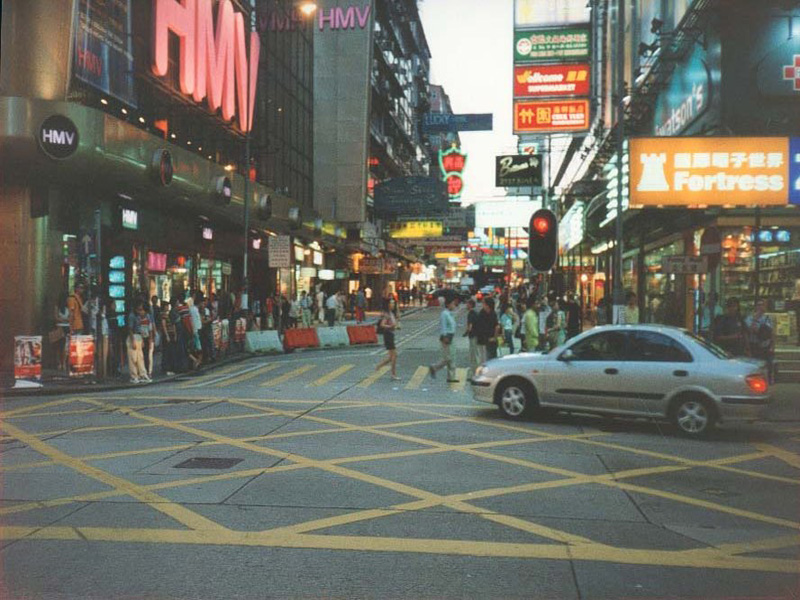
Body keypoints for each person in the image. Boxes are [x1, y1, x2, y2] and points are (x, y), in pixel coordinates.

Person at [429, 295, 459, 382]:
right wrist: (445, 337)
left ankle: (451, 377)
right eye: (452, 304)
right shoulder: (444, 314)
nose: (454, 305)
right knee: (448, 357)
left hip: (451, 336)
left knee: (452, 356)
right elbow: (443, 326)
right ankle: (435, 367)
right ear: (448, 304)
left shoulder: (450, 313)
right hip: (446, 337)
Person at [746, 299, 775, 383]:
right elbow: (749, 331)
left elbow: (772, 333)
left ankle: (768, 379)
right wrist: (755, 319)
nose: (761, 307)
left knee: (767, 363)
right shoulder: (749, 318)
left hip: (766, 345)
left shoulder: (768, 318)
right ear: (755, 307)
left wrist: (772, 346)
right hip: (754, 344)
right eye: (759, 305)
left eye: (762, 305)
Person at [375, 298, 401, 380]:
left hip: (391, 334)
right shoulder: (387, 314)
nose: (393, 305)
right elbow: (382, 324)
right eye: (391, 303)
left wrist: (395, 326)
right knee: (394, 355)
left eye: (393, 303)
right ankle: (393, 374)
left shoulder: (391, 313)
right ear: (388, 305)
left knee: (391, 357)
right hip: (388, 335)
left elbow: (397, 319)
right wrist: (390, 326)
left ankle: (379, 366)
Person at [127, 301, 150, 383]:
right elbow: (130, 329)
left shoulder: (138, 316)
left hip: (138, 337)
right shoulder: (132, 316)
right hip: (133, 336)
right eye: (139, 309)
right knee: (133, 358)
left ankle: (142, 374)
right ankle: (134, 376)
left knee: (140, 358)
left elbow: (140, 328)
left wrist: (142, 340)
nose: (141, 311)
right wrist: (132, 340)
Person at [474, 297, 500, 363]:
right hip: (483, 340)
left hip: (490, 340)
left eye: (483, 303)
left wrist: (494, 338)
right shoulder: (482, 313)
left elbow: (497, 326)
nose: (482, 305)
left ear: (487, 305)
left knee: (491, 359)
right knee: (484, 359)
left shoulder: (492, 314)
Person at [52, 292, 70, 372]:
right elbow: (56, 317)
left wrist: (64, 320)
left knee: (65, 347)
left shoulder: (68, 307)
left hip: (67, 327)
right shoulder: (57, 307)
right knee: (59, 346)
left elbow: (70, 317)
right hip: (59, 327)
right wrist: (64, 320)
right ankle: (59, 363)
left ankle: (64, 363)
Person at [161, 299, 178, 375]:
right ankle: (167, 368)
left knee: (170, 351)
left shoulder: (167, 314)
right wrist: (167, 335)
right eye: (166, 306)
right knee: (167, 351)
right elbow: (164, 326)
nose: (168, 307)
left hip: (171, 333)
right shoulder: (163, 315)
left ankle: (170, 367)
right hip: (167, 334)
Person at [464, 299, 480, 377]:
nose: (466, 305)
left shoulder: (470, 314)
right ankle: (475, 372)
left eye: (467, 304)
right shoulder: (476, 313)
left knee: (474, 355)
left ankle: (475, 373)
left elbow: (470, 326)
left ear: (470, 305)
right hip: (477, 335)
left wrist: (466, 333)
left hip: (473, 336)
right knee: (476, 353)